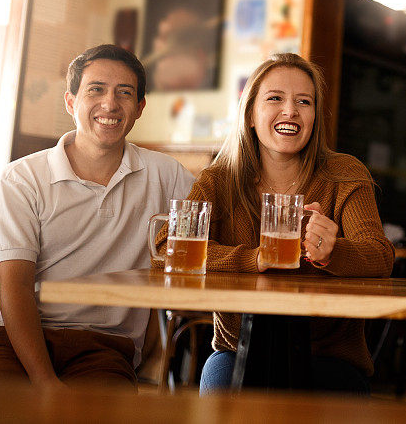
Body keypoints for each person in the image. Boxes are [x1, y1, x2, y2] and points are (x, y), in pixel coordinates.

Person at [160, 53, 393, 395]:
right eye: (275, 99)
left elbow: (381, 256)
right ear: (251, 114)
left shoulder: (344, 173)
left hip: (328, 358)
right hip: (237, 352)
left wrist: (333, 251)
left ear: (315, 116)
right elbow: (167, 248)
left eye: (304, 102)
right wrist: (255, 259)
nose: (290, 111)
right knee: (220, 381)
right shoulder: (219, 180)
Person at [0, 44, 194, 389]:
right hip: (10, 338)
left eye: (125, 93)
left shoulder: (167, 175)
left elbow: (224, 211)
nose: (110, 104)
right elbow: (13, 288)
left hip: (104, 345)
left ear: (139, 109)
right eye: (96, 90)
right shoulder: (21, 178)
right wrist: (46, 383)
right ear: (71, 102)